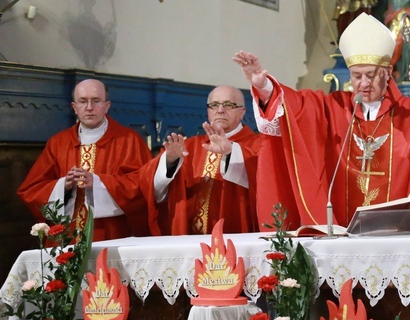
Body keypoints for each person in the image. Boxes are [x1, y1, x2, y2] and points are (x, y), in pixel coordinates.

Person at [233, 13, 410, 229]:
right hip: (342, 227)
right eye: (356, 76)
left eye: (371, 75)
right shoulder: (333, 108)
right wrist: (264, 86)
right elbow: (295, 109)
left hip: (401, 232)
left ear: (388, 73)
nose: (364, 83)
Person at [17, 79, 152, 241]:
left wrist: (99, 183)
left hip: (113, 234)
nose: (89, 107)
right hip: (67, 237)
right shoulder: (58, 143)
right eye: (83, 101)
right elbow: (31, 190)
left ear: (107, 105)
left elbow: (144, 187)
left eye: (96, 101)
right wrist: (63, 187)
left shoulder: (130, 140)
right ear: (74, 107)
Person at [137, 85, 261, 235]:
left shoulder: (259, 145)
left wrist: (231, 153)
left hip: (236, 235)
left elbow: (265, 185)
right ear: (208, 111)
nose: (220, 110)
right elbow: (145, 183)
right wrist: (169, 162)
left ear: (243, 112)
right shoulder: (189, 146)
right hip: (189, 239)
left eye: (229, 105)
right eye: (214, 105)